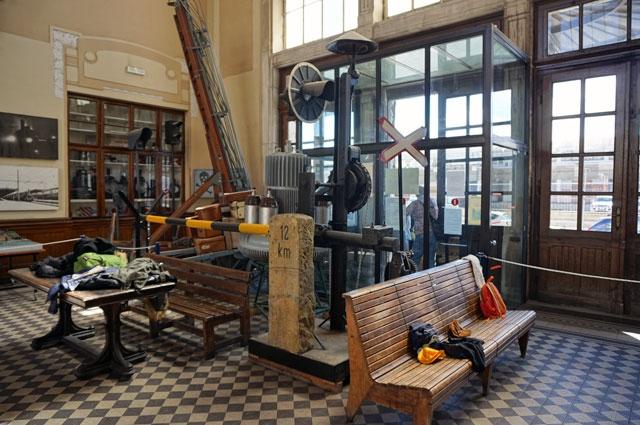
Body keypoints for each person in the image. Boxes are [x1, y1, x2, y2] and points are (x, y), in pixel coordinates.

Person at [406, 186, 438, 269]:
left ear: (417, 194)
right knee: (430, 260)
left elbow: (405, 212)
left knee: (414, 258)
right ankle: (431, 275)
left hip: (420, 234)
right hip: (432, 234)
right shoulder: (432, 201)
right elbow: (436, 216)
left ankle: (413, 275)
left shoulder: (415, 203)